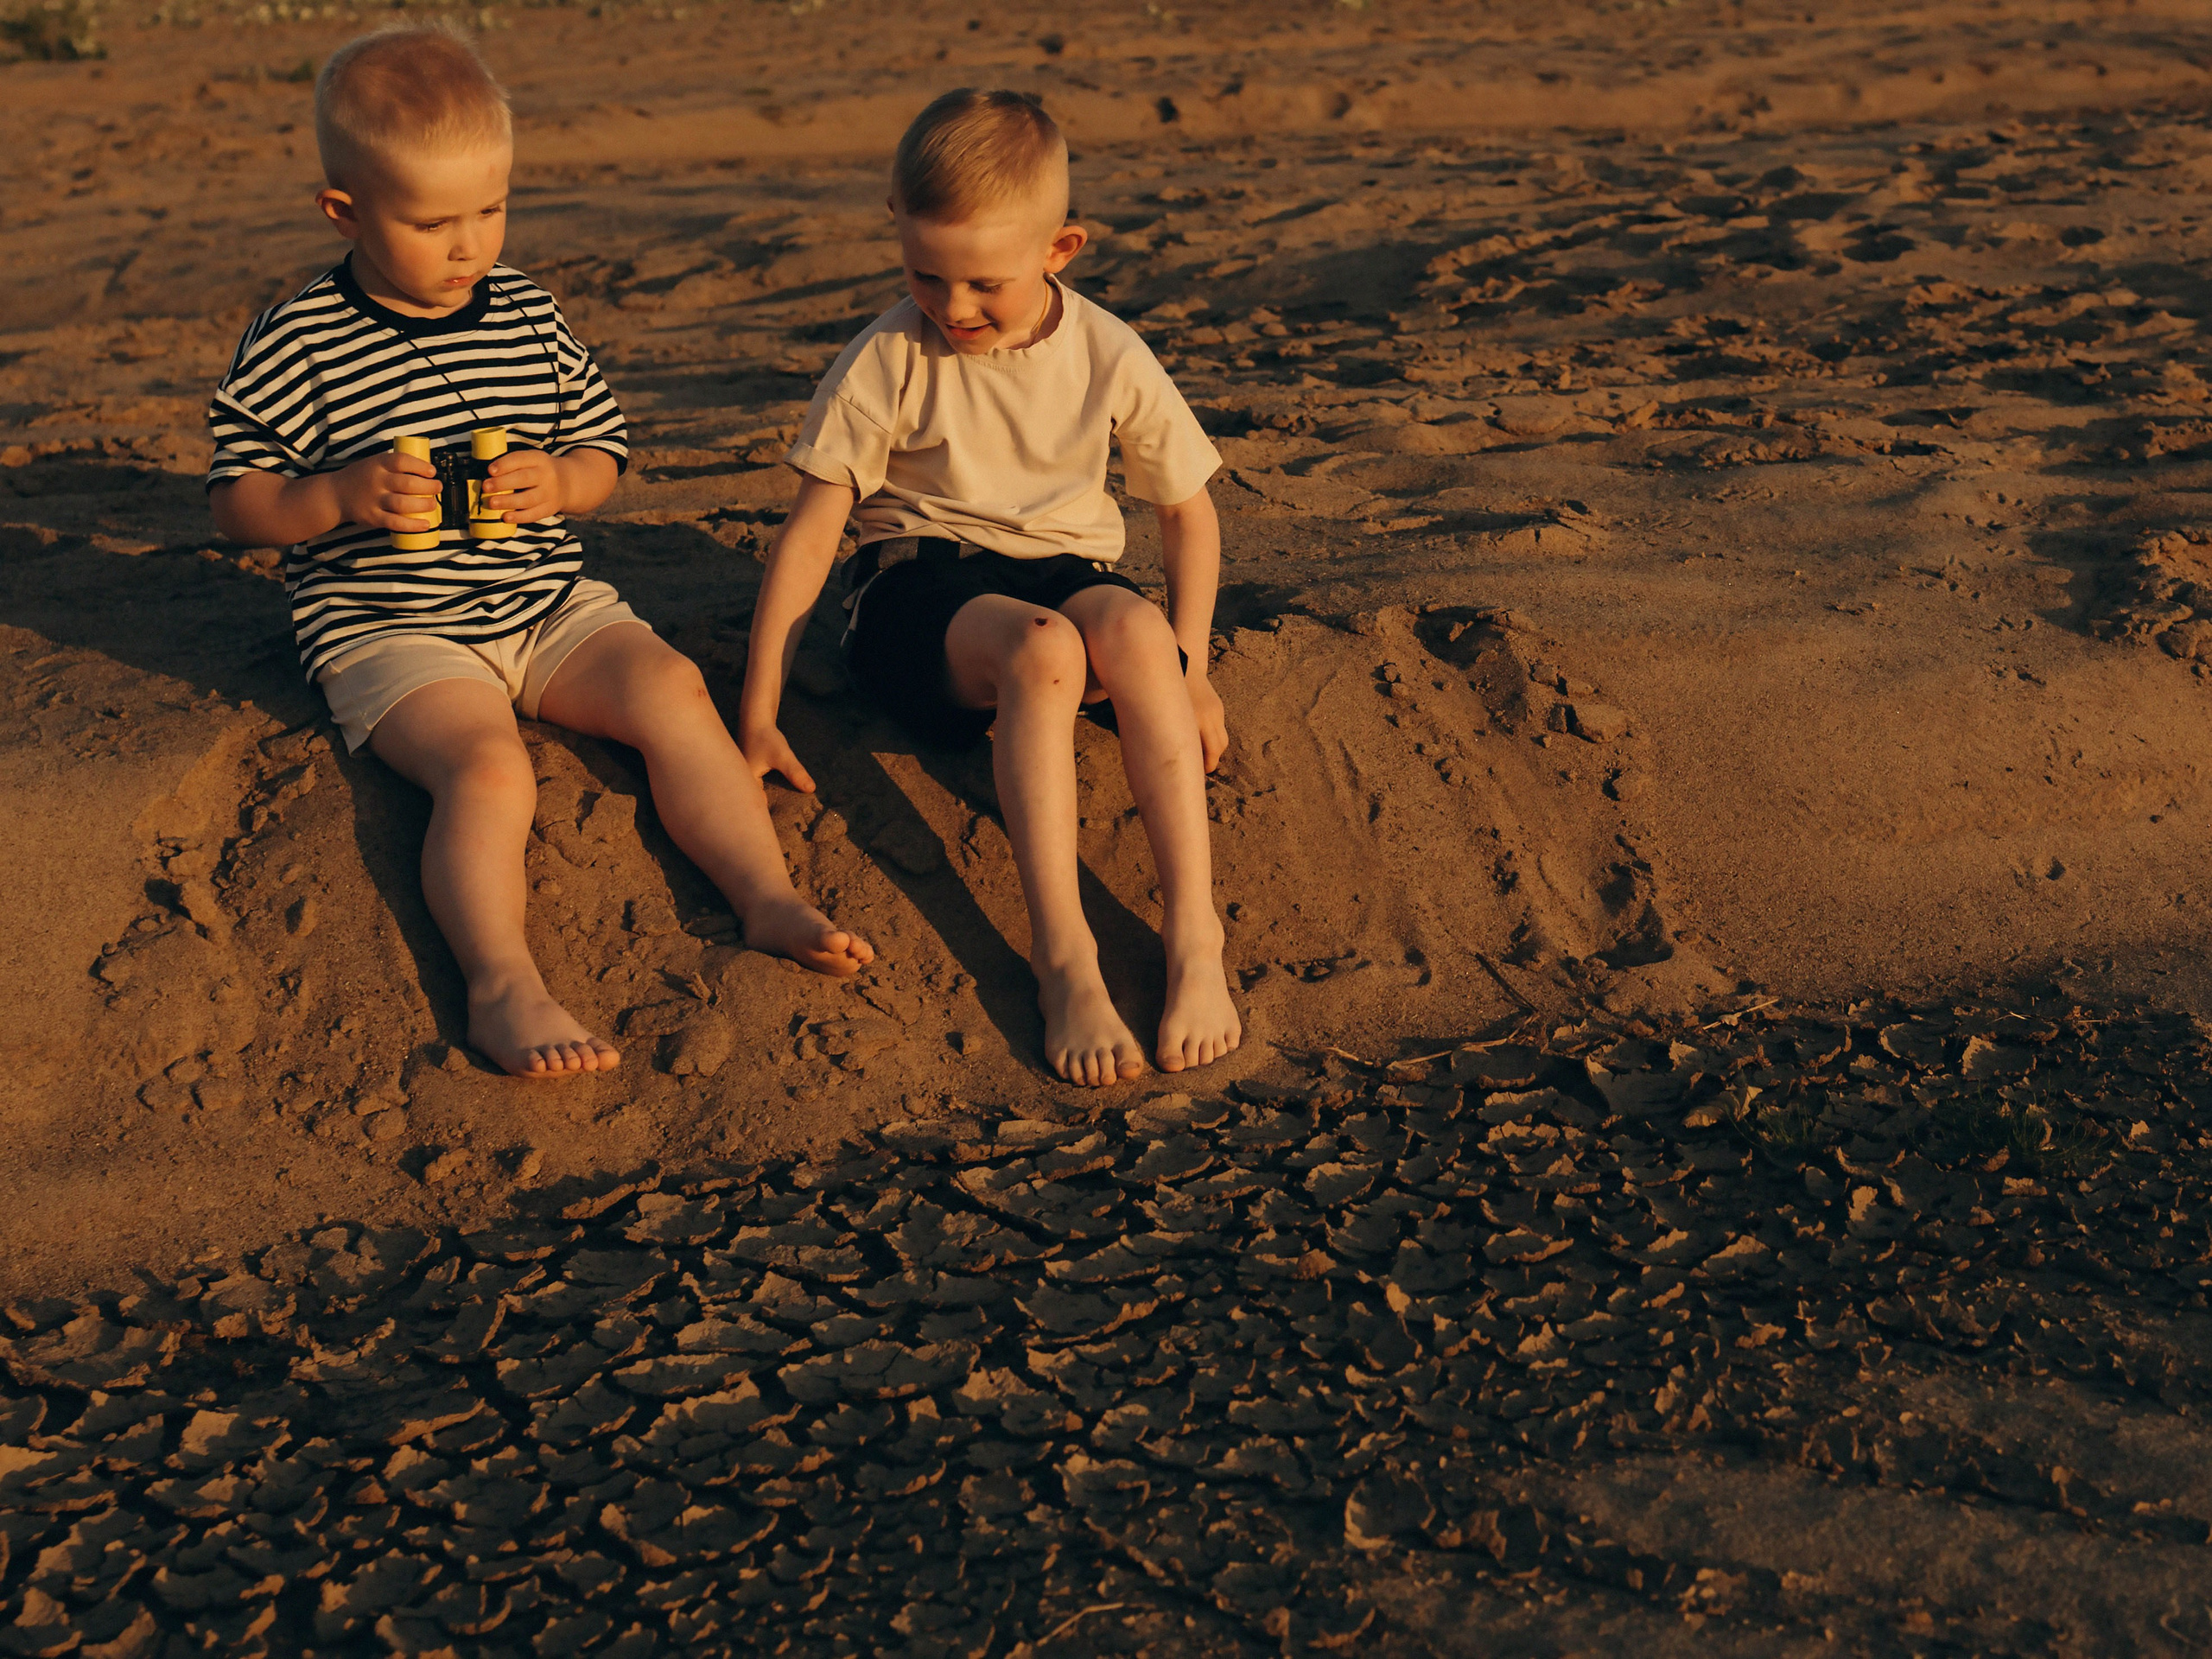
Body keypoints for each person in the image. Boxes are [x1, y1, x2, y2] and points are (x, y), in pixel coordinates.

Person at [206, 24, 870, 1080]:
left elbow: (601, 447)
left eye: (491, 208)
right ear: (344, 210)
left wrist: (559, 482)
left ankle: (766, 896)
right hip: (393, 627)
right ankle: (502, 983)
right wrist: (331, 495)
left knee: (670, 687)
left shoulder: (525, 309)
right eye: (432, 222)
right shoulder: (299, 340)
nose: (470, 244)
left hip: (543, 598)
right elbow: (237, 503)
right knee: (489, 772)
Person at [739, 88, 1240, 1088]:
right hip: (916, 592)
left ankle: (1195, 939)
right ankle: (1065, 960)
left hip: (1062, 569)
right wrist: (756, 713)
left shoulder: (1105, 348)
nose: (952, 307)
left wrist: (1193, 672)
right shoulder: (888, 354)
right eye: (926, 274)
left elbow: (1188, 513)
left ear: (1059, 249)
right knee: (1045, 649)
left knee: (1137, 634)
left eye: (983, 284)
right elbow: (810, 537)